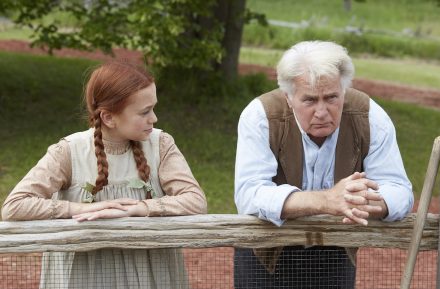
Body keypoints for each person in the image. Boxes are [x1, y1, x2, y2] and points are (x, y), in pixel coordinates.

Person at [1, 60, 207, 289]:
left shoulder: (161, 145)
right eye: (145, 111)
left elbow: (195, 200)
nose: (154, 118)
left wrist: (142, 208)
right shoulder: (69, 151)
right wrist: (80, 209)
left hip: (151, 276)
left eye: (154, 108)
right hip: (84, 277)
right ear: (108, 117)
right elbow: (15, 206)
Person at [234, 41, 413, 288]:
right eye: (309, 100)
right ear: (288, 97)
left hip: (336, 251)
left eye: (331, 98)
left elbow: (400, 190)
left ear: (344, 90)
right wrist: (328, 201)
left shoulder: (370, 117)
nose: (322, 111)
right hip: (264, 253)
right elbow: (249, 195)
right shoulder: (260, 116)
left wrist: (361, 200)